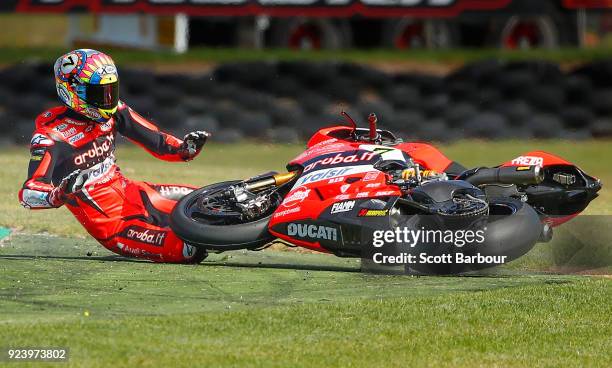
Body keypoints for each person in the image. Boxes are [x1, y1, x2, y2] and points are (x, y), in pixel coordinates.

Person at [18, 49, 210, 264]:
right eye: (98, 93)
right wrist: (57, 195)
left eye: (110, 91)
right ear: (70, 91)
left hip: (138, 194)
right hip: (116, 227)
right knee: (188, 250)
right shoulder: (52, 136)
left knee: (208, 200)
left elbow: (157, 142)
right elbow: (29, 193)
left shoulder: (115, 110)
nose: (107, 100)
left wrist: (185, 149)